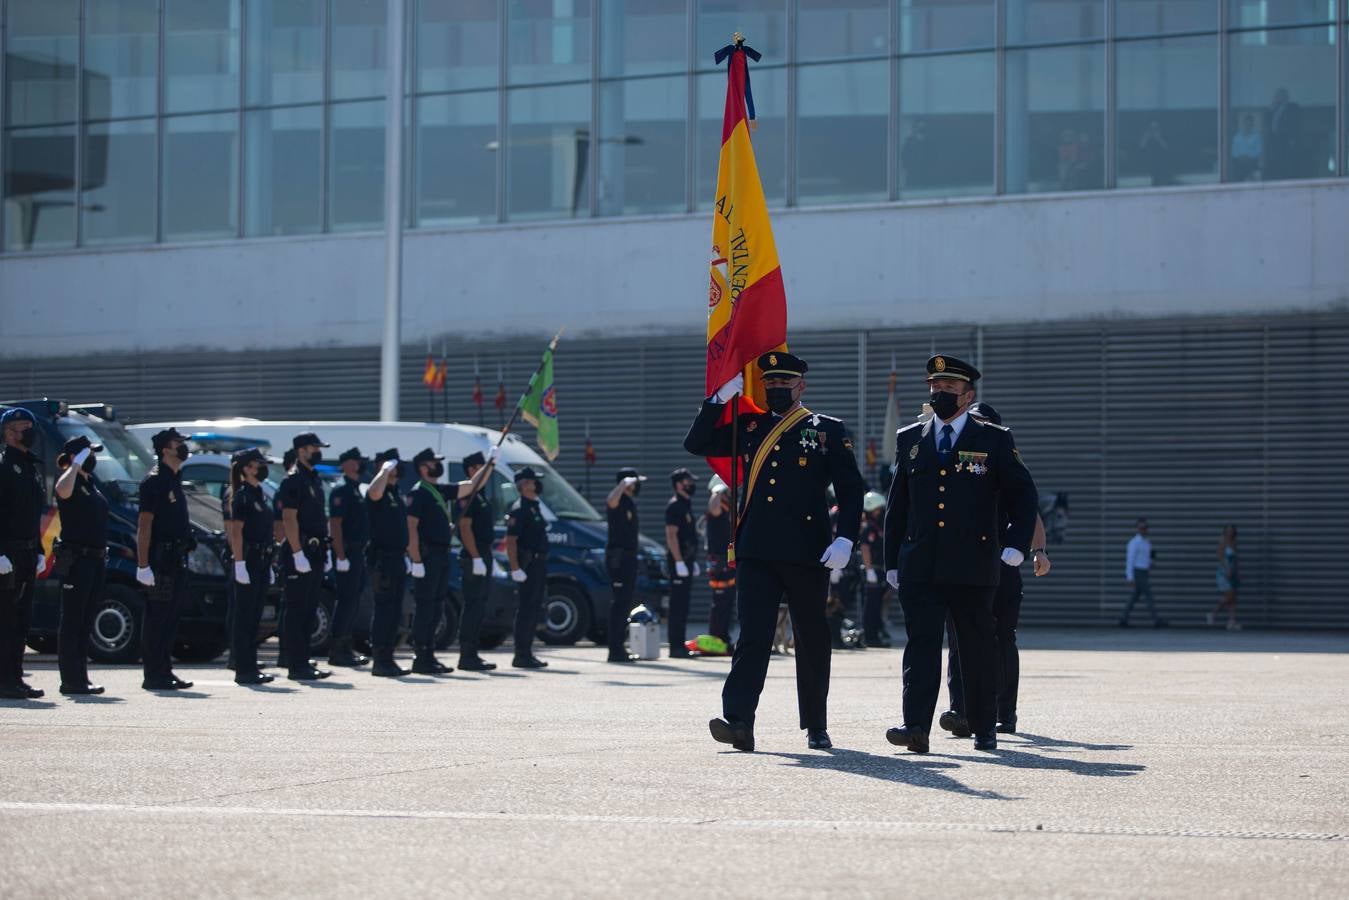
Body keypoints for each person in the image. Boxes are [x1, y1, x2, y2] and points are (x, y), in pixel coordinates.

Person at [684, 351, 866, 752]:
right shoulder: (748, 426)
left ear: (801, 385)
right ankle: (739, 721)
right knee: (753, 635)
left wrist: (846, 539)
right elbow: (696, 443)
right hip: (757, 549)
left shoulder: (826, 430)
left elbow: (852, 490)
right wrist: (716, 402)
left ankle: (816, 724)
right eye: (770, 383)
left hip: (807, 550)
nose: (777, 389)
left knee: (812, 637)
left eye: (785, 383)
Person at [883, 355, 1037, 753]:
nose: (940, 394)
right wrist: (890, 561)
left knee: (975, 649)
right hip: (921, 564)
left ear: (968, 395)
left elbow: (1023, 495)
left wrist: (1017, 546)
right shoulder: (911, 438)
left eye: (949, 389)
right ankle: (915, 727)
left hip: (974, 565)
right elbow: (898, 504)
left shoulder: (994, 439)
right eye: (935, 387)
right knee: (921, 647)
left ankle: (985, 727)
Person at [937, 402, 1051, 737]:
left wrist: (1039, 551)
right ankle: (960, 710)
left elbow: (1031, 513)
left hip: (1003, 563)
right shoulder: (951, 463)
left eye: (980, 423)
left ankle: (1005, 712)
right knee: (958, 639)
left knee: (1001, 639)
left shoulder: (1003, 462)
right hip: (960, 565)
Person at [136, 427, 195, 691]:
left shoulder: (173, 478)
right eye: (177, 443)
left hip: (176, 559)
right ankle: (153, 673)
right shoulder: (155, 481)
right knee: (157, 618)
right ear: (165, 449)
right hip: (160, 560)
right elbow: (145, 525)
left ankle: (165, 670)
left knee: (170, 619)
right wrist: (143, 565)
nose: (183, 447)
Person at [52, 435, 108, 695]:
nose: (93, 458)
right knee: (73, 619)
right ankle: (70, 679)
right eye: (88, 454)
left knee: (85, 620)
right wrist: (74, 466)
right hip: (77, 559)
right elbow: (61, 491)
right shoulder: (70, 479)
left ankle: (81, 676)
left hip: (95, 559)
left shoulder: (90, 482)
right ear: (75, 456)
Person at [278, 432, 333, 681]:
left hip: (316, 552)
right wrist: (297, 553)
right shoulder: (294, 480)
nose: (318, 451)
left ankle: (303, 659)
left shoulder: (313, 479)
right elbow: (289, 519)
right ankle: (295, 664)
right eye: (314, 448)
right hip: (300, 552)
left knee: (309, 609)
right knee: (297, 610)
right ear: (301, 450)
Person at [0, 407, 45, 700]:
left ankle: (15, 678)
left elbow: (32, 514)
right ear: (8, 432)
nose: (28, 431)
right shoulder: (3, 465)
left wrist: (40, 550)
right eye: (22, 426)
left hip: (27, 553)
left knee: (22, 620)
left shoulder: (30, 465)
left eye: (30, 425)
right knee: (5, 620)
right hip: (8, 555)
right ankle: (4, 681)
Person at [225, 448, 276, 686]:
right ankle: (243, 668)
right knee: (244, 618)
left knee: (255, 617)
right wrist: (240, 563)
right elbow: (236, 532)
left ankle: (251, 665)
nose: (262, 468)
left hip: (262, 561)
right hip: (249, 560)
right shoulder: (242, 496)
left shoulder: (258, 494)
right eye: (258, 464)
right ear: (246, 468)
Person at [406, 448, 454, 675]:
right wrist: (415, 559)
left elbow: (470, 487)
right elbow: (411, 528)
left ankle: (430, 654)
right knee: (426, 607)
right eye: (434, 462)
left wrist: (490, 465)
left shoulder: (437, 490)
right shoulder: (419, 493)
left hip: (441, 555)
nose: (438, 465)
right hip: (427, 556)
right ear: (424, 467)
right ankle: (421, 655)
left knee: (437, 606)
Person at [455, 449, 501, 671]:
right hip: (474, 555)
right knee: (473, 604)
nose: (485, 473)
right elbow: (465, 528)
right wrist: (475, 557)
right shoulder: (468, 495)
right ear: (472, 470)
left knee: (480, 604)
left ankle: (473, 652)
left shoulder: (480, 494)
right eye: (481, 468)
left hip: (483, 553)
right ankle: (466, 654)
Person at [365, 449, 409, 677]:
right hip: (382, 559)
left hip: (397, 558)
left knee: (394, 611)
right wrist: (383, 470)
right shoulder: (378, 490)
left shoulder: (395, 493)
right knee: (384, 610)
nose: (394, 470)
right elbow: (373, 492)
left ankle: (388, 657)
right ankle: (379, 659)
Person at [327, 448, 371, 668]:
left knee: (353, 601)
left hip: (358, 553)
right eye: (356, 461)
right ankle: (337, 650)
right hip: (347, 552)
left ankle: (347, 645)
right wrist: (340, 555)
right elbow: (335, 524)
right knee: (345, 601)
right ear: (345, 464)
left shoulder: (355, 489)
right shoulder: (341, 490)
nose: (359, 465)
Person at [506, 467, 550, 669]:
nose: (537, 484)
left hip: (538, 563)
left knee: (533, 609)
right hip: (528, 564)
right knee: (526, 609)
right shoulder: (520, 508)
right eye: (533, 481)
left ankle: (528, 652)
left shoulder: (534, 506)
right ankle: (521, 654)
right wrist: (515, 567)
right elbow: (511, 540)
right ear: (524, 485)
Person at [603, 466, 645, 664]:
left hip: (629, 558)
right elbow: (610, 501)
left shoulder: (629, 502)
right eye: (634, 483)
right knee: (619, 604)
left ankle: (620, 645)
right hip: (618, 559)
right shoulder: (617, 500)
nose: (637, 486)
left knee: (625, 602)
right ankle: (615, 649)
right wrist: (622, 485)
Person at [665, 467, 700, 659]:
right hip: (678, 563)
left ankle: (680, 644)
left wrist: (690, 562)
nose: (691, 485)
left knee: (684, 606)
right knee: (677, 606)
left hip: (686, 561)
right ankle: (675, 647)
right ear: (679, 484)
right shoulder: (675, 505)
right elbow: (671, 536)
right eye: (688, 482)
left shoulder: (686, 504)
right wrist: (678, 561)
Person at [703, 475, 735, 651]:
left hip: (728, 561)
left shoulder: (728, 506)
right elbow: (713, 507)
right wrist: (718, 489)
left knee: (728, 602)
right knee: (720, 601)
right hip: (719, 562)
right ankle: (716, 639)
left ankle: (723, 638)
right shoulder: (716, 505)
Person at [1121, 517, 1165, 627]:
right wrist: (1129, 577)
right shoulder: (1134, 543)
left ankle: (1123, 619)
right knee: (1148, 595)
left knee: (1134, 597)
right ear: (1137, 528)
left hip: (1144, 572)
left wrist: (1151, 562)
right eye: (1141, 527)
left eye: (1145, 527)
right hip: (1138, 572)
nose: (1143, 530)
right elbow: (1130, 560)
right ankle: (1156, 620)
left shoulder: (1147, 542)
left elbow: (1147, 558)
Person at [858, 491, 888, 648]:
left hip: (878, 570)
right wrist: (869, 570)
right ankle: (870, 636)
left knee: (877, 606)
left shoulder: (877, 526)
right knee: (871, 606)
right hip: (872, 570)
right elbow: (865, 548)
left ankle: (875, 634)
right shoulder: (869, 527)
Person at [1265, 88, 1303, 180]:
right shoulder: (1273, 109)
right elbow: (1268, 124)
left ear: (1285, 97)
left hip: (1286, 139)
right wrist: (1272, 108)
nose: (1277, 98)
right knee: (1275, 162)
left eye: (1279, 95)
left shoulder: (1292, 107)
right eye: (1276, 96)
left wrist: (1293, 139)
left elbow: (1296, 124)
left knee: (1286, 162)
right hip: (1274, 140)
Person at [1210, 525, 1240, 631]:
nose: (1229, 533)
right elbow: (1221, 558)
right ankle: (1213, 614)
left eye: (1231, 531)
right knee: (1229, 596)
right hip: (1224, 573)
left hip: (1233, 572)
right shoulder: (1222, 543)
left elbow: (1234, 559)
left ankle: (1231, 621)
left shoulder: (1234, 543)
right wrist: (1227, 570)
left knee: (1233, 598)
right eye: (1228, 531)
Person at [1138, 120, 1172, 187]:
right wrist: (1146, 137)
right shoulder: (1146, 138)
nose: (1153, 131)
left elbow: (1167, 150)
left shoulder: (1163, 137)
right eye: (1151, 129)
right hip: (1149, 166)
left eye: (1155, 129)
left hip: (1161, 167)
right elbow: (1140, 149)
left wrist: (1159, 138)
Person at [1231, 113, 1263, 182]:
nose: (1248, 126)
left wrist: (1248, 156)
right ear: (1243, 124)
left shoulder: (1257, 137)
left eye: (1250, 124)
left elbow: (1258, 151)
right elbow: (1234, 152)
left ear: (1252, 125)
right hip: (1239, 164)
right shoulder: (1237, 137)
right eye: (1246, 124)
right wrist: (1241, 157)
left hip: (1252, 164)